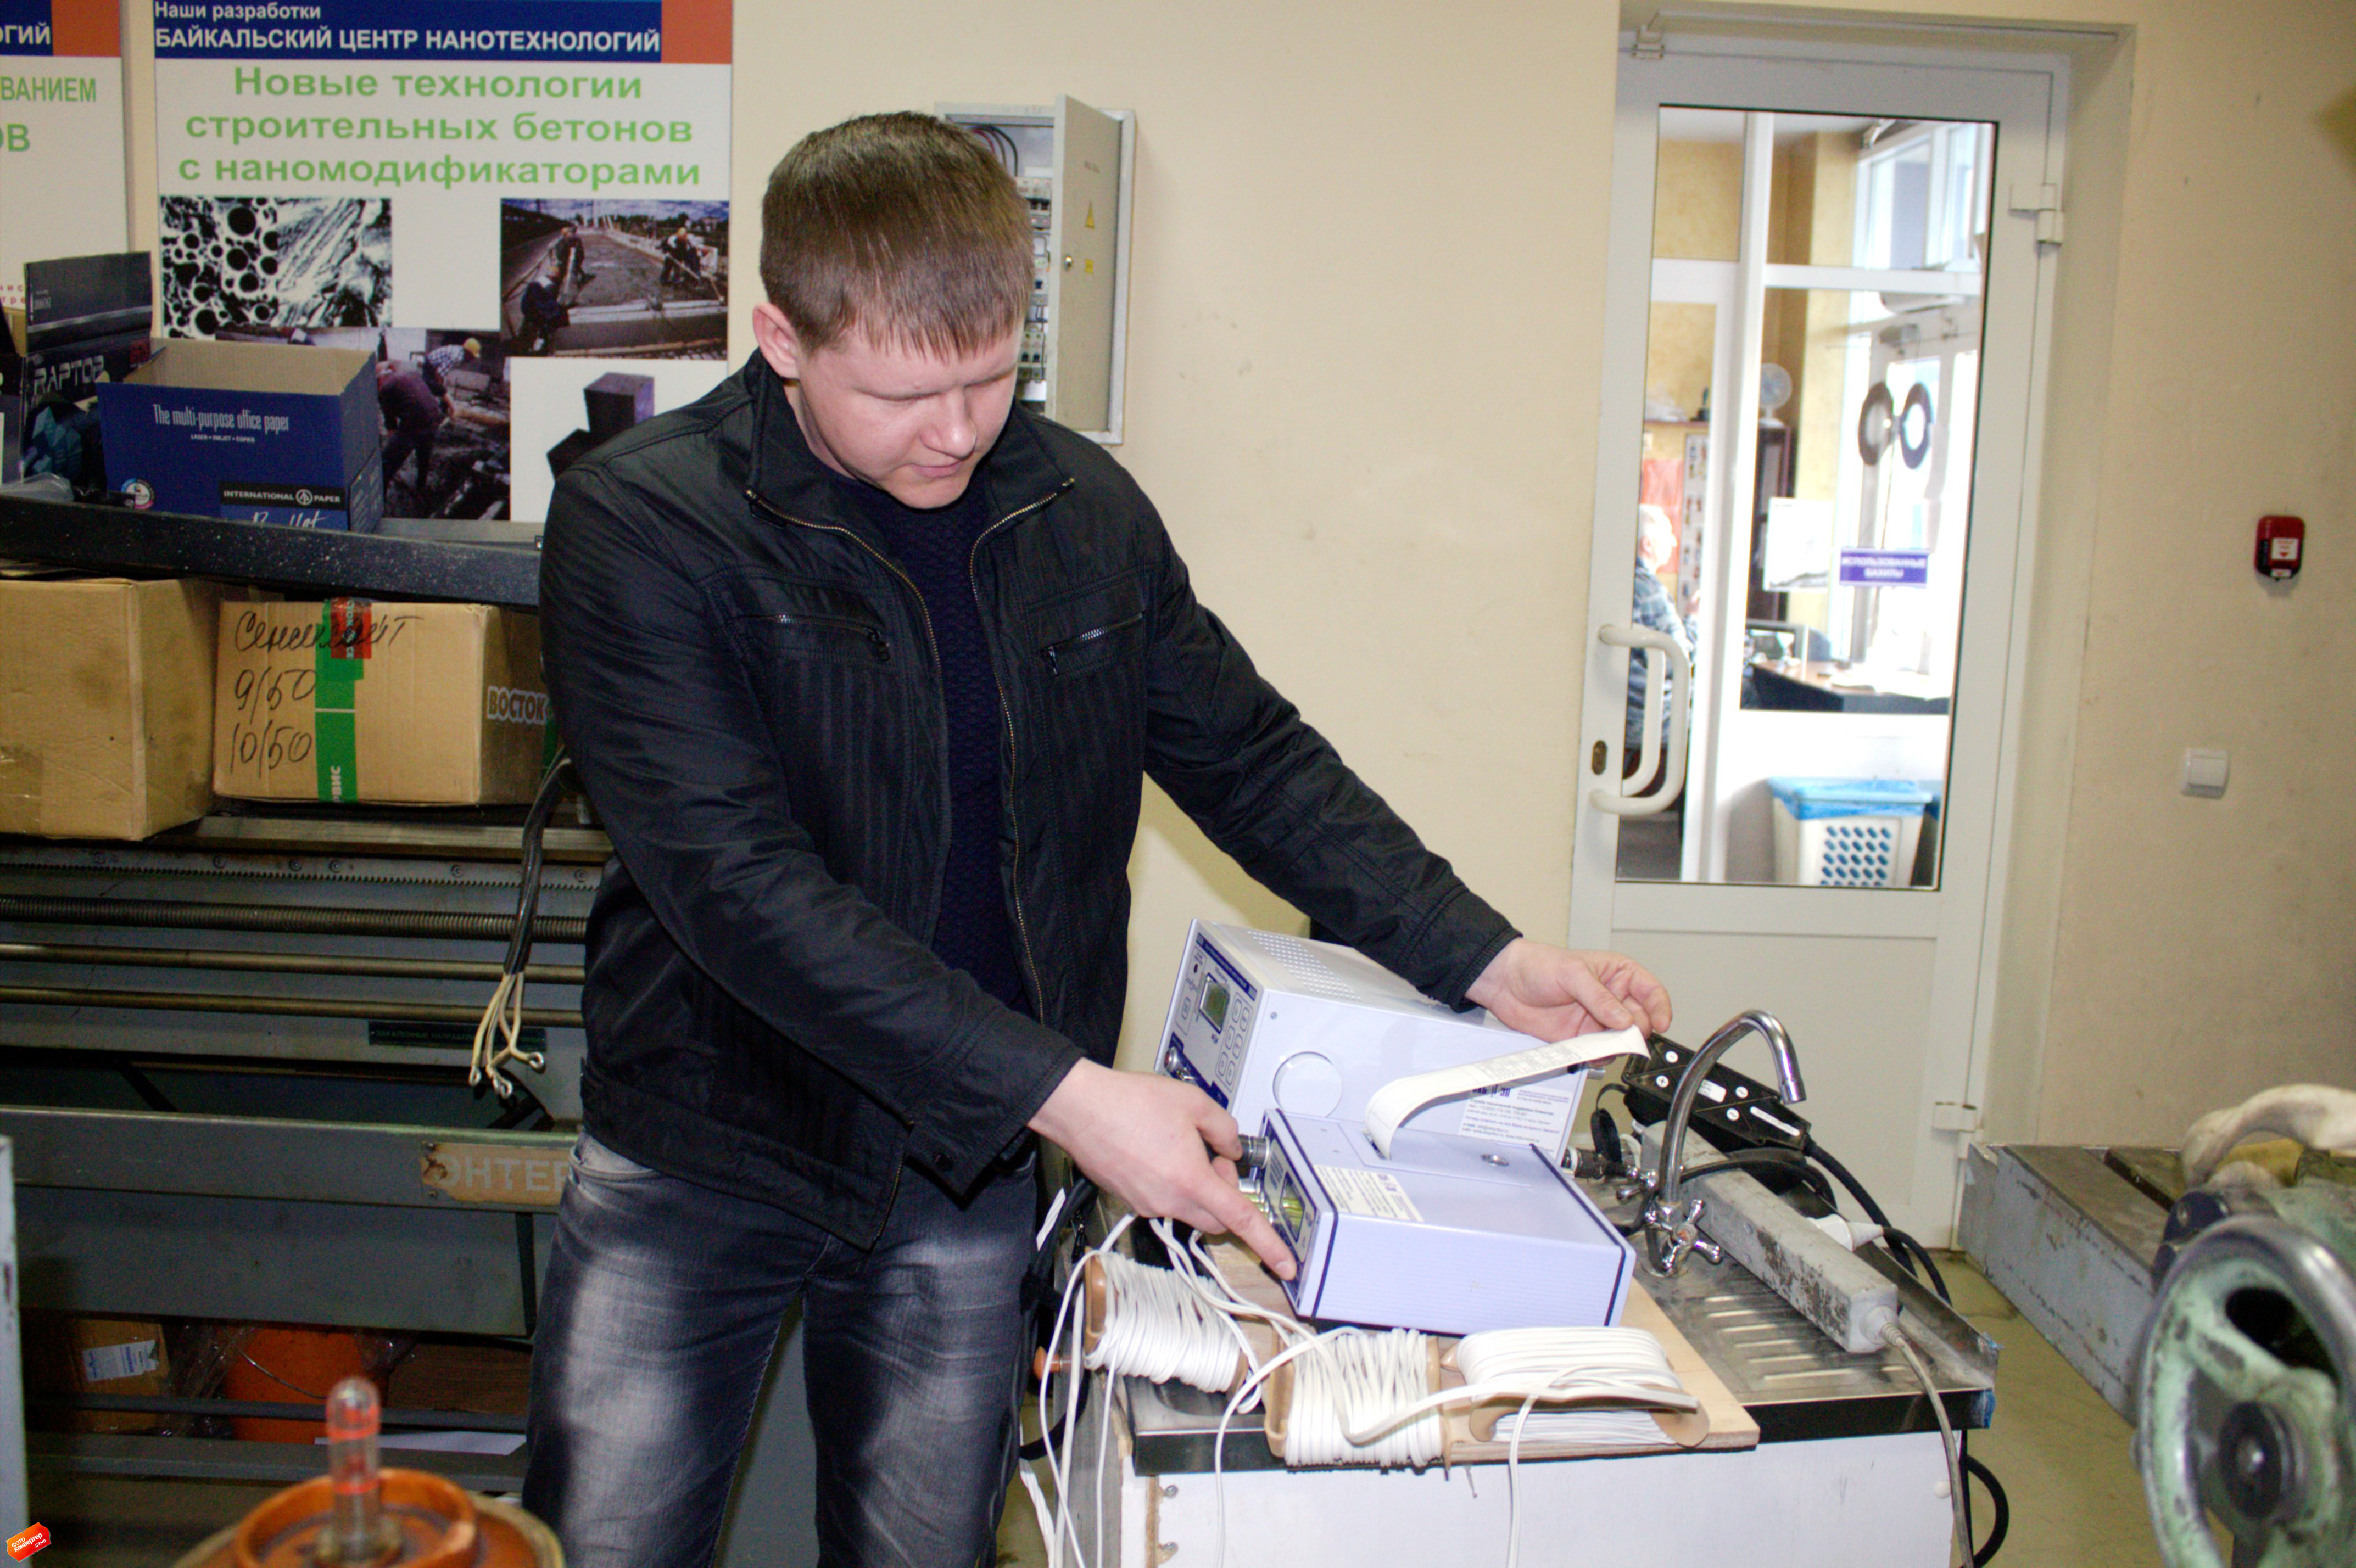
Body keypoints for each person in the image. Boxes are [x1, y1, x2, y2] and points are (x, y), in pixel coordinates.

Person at [524, 111, 1672, 1568]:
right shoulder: (646, 523)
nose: (957, 432)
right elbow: (737, 887)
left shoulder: (1079, 510)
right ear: (781, 339)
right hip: (707, 1148)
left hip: (959, 1170)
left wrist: (1490, 958)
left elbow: (1253, 764)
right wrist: (1067, 1096)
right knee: (605, 1548)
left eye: (990, 375)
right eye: (905, 393)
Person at [1626, 503, 1698, 780]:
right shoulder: (1649, 590)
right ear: (1648, 544)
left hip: (1623, 709)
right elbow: (1680, 660)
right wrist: (1694, 619)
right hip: (1646, 716)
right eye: (1668, 534)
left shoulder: (1620, 581)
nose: (1675, 542)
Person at [375, 358, 444, 507]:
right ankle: (421, 487)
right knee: (424, 455)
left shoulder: (386, 388)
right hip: (435, 416)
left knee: (386, 464)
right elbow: (435, 391)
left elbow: (391, 424)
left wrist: (393, 449)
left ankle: (380, 499)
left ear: (379, 380)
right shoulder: (411, 375)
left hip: (416, 421)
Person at [418, 336, 479, 422]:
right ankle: (436, 413)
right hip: (430, 365)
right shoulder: (457, 357)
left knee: (440, 391)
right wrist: (441, 391)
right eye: (473, 357)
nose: (473, 360)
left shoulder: (460, 351)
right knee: (436, 390)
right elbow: (439, 373)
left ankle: (441, 413)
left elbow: (441, 372)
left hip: (433, 365)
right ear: (468, 353)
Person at [514, 267, 568, 355]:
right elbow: (547, 304)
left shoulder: (540, 280)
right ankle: (541, 341)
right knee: (548, 319)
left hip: (527, 308)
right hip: (534, 310)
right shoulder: (550, 286)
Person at [552, 222, 593, 304]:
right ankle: (565, 293)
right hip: (569, 260)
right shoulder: (566, 241)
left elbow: (576, 251)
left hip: (573, 259)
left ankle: (567, 293)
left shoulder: (570, 240)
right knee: (572, 272)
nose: (571, 234)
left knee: (573, 272)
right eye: (569, 233)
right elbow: (561, 253)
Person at [658, 220, 705, 290]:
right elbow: (666, 246)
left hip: (678, 256)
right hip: (670, 256)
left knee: (677, 270)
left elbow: (686, 251)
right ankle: (663, 281)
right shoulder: (672, 239)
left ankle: (676, 283)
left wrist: (683, 258)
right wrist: (666, 252)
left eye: (684, 238)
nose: (683, 239)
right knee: (667, 268)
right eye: (682, 238)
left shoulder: (686, 242)